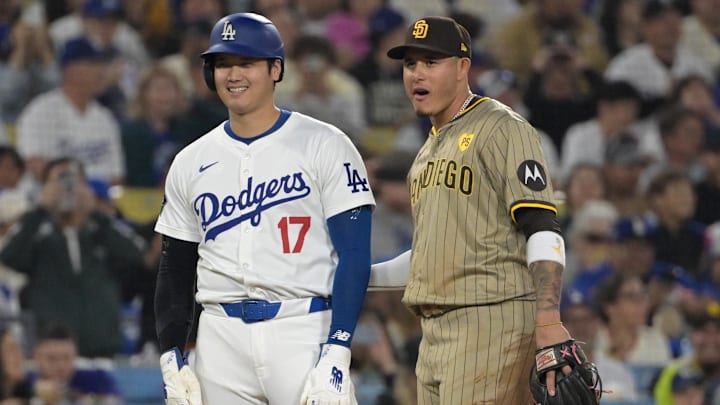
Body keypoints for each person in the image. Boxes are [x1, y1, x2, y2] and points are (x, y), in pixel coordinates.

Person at [154, 13, 375, 404]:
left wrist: (338, 347)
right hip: (220, 338)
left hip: (302, 329)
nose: (233, 74)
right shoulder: (190, 160)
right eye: (222, 64)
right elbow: (175, 266)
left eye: (246, 63)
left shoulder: (325, 144)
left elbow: (354, 254)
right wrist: (172, 352)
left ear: (276, 69)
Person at [382, 15, 590, 404]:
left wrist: (548, 320)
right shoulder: (424, 154)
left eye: (431, 62)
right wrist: (351, 277)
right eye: (410, 64)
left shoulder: (501, 127)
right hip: (434, 332)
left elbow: (542, 227)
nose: (417, 74)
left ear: (463, 67)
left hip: (491, 320)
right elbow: (429, 258)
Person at [0, 158, 147, 358]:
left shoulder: (102, 233)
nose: (66, 190)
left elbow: (138, 253)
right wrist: (40, 210)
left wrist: (95, 213)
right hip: (53, 353)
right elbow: (8, 255)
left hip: (104, 350)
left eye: (73, 182)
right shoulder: (38, 237)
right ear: (45, 189)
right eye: (57, 183)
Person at [28, 322, 122, 404]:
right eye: (52, 359)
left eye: (66, 358)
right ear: (37, 357)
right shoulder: (24, 382)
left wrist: (73, 397)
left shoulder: (97, 379)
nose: (60, 366)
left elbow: (115, 400)